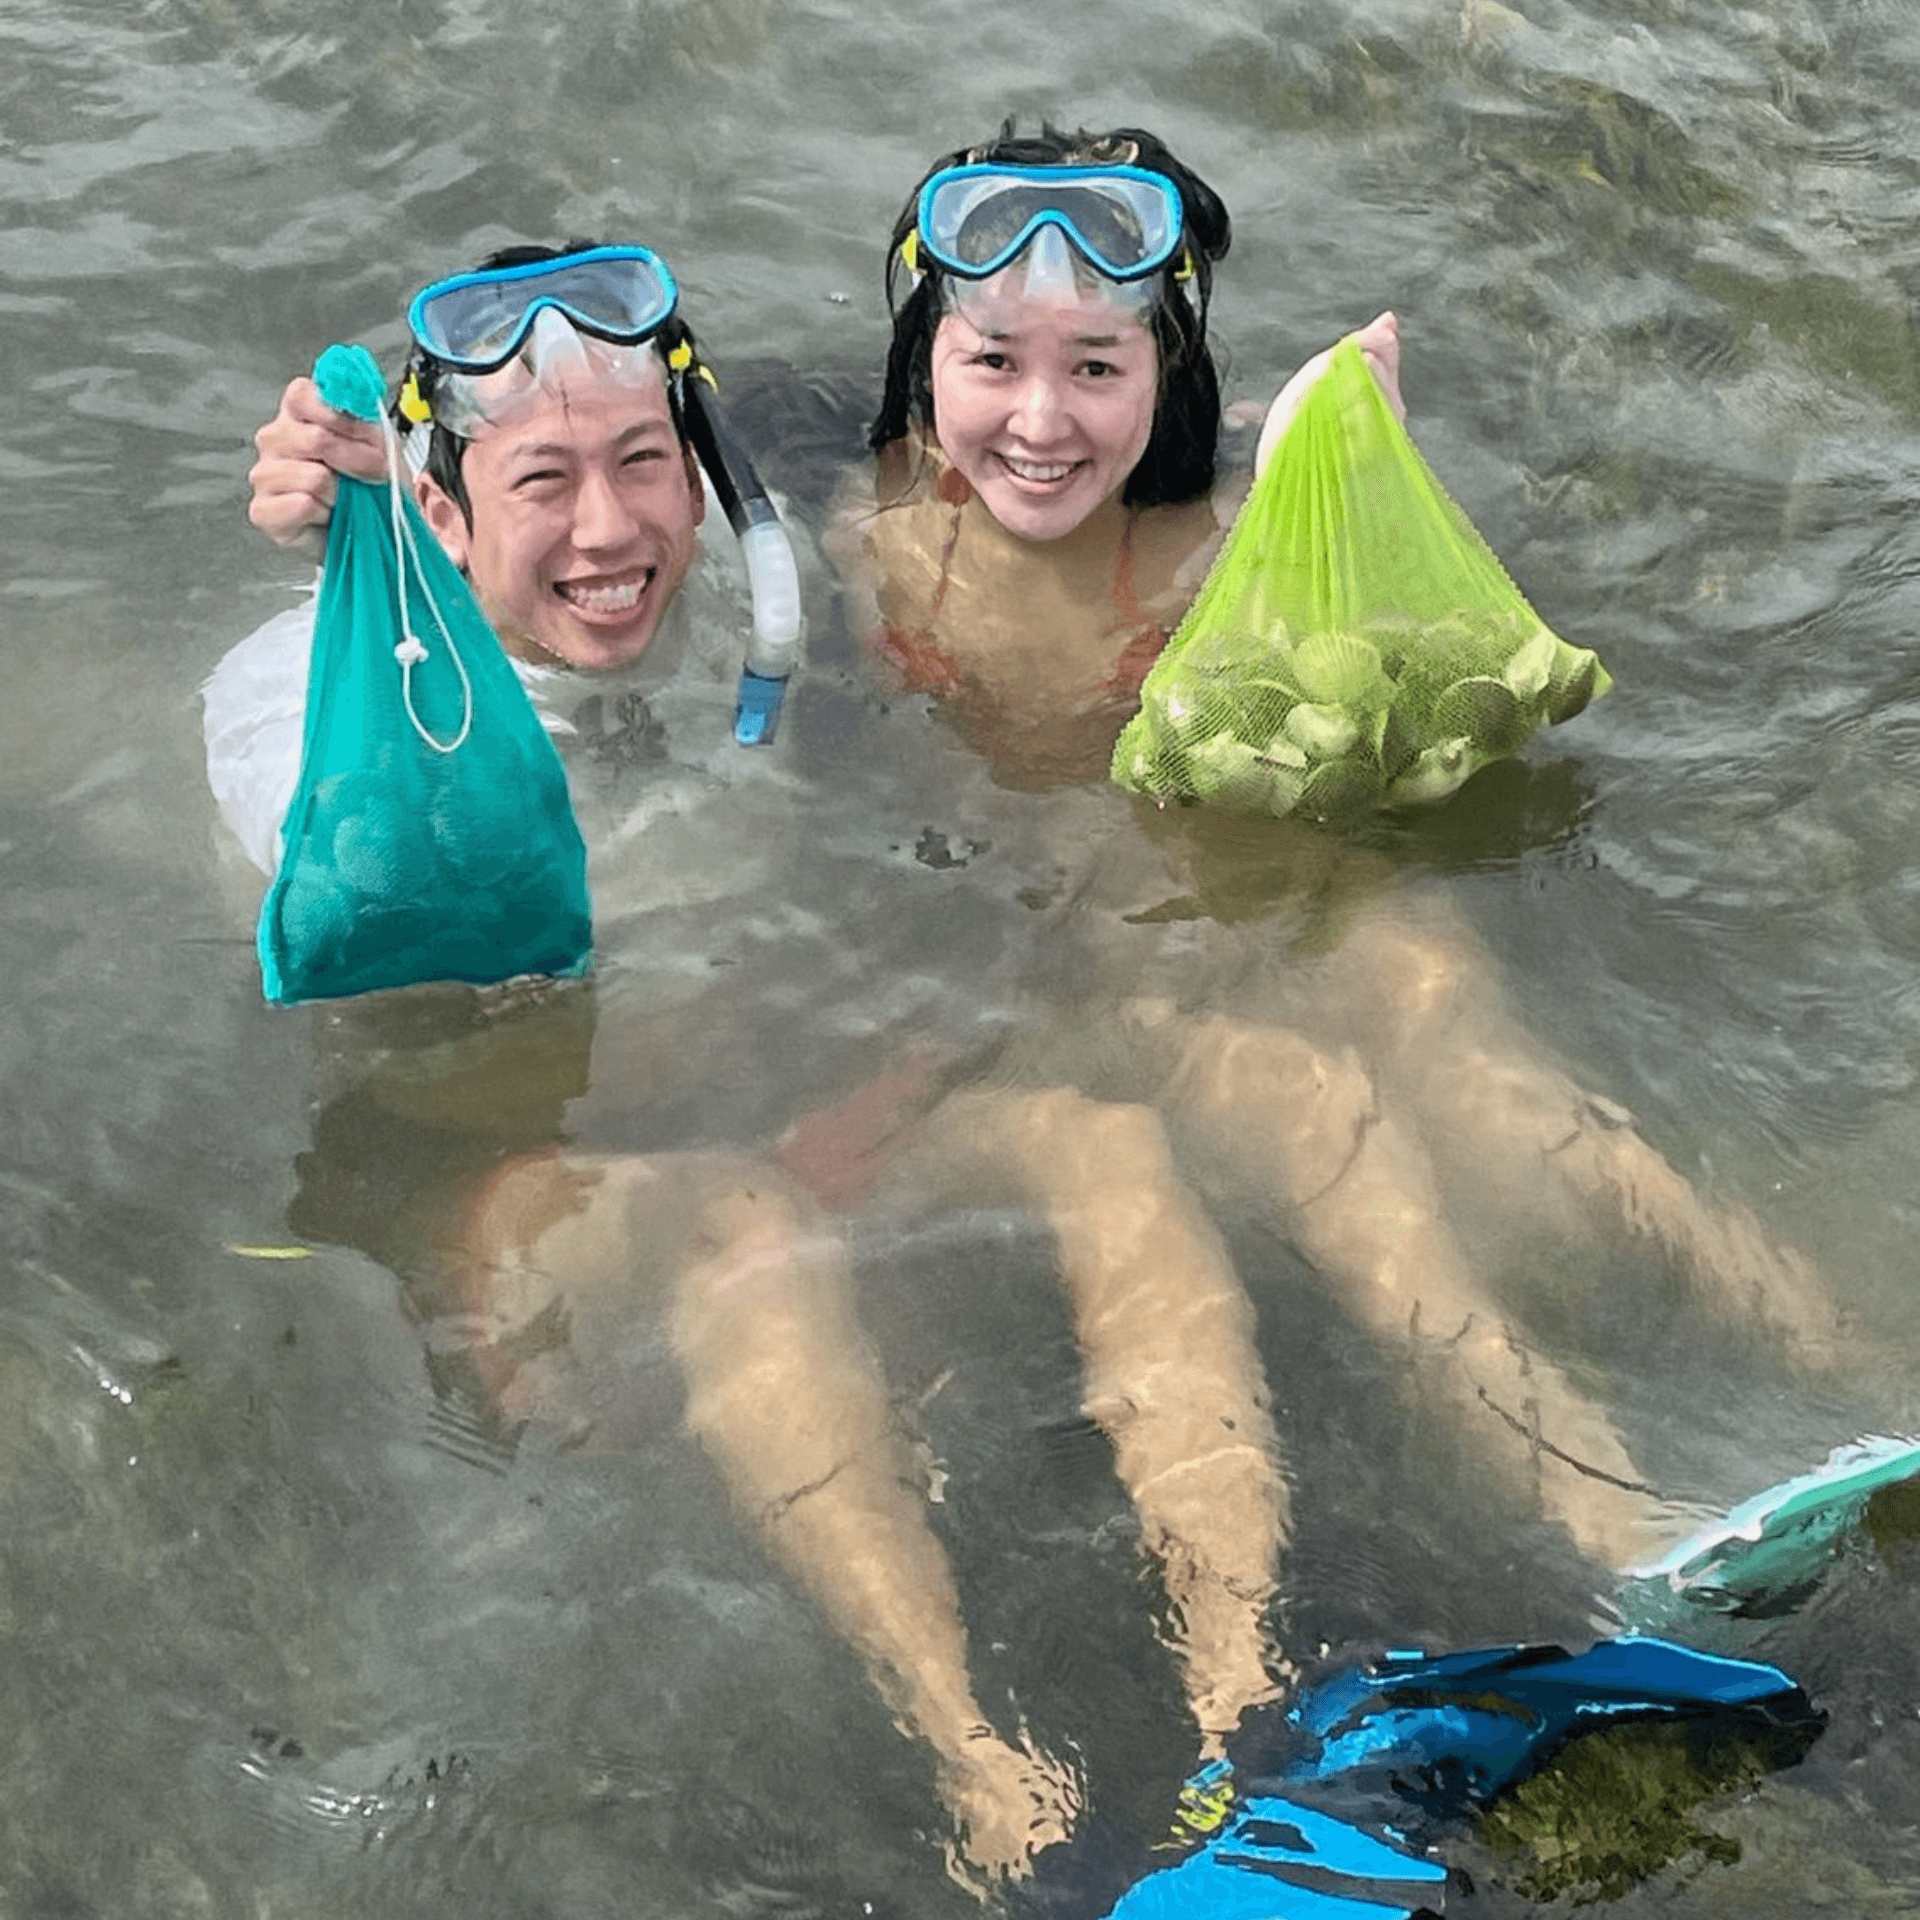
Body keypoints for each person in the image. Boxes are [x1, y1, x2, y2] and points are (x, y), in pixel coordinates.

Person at [828, 117, 1861, 1723]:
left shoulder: (1232, 519)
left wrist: (1349, 459)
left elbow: (1403, 717)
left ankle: (1837, 1357)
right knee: (1331, 1110)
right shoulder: (863, 532)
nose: (1040, 422)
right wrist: (351, 488)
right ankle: (1596, 1492)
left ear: (1167, 372)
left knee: (1455, 1013)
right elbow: (603, 498)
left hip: (1261, 884)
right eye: (992, 363)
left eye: (1098, 368)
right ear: (921, 354)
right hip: (1079, 964)